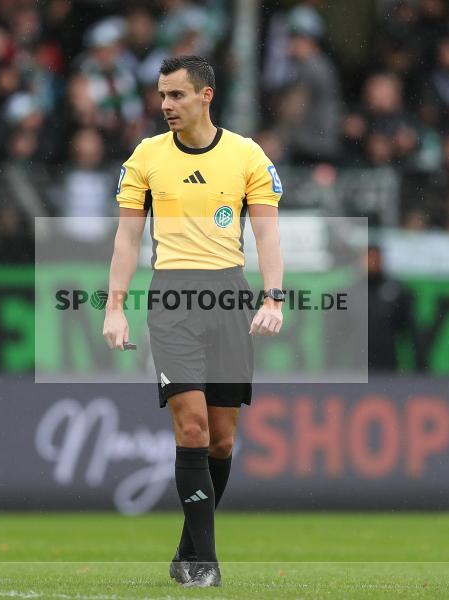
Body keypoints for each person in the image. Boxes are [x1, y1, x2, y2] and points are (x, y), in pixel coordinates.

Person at [102, 55, 284, 588]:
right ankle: (205, 564)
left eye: (176, 95)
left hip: (229, 296)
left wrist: (273, 299)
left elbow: (268, 234)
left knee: (221, 440)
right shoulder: (146, 157)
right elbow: (127, 239)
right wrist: (114, 307)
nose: (166, 105)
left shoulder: (247, 155)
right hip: (172, 299)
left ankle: (187, 549)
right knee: (193, 428)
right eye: (162, 95)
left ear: (206, 96)